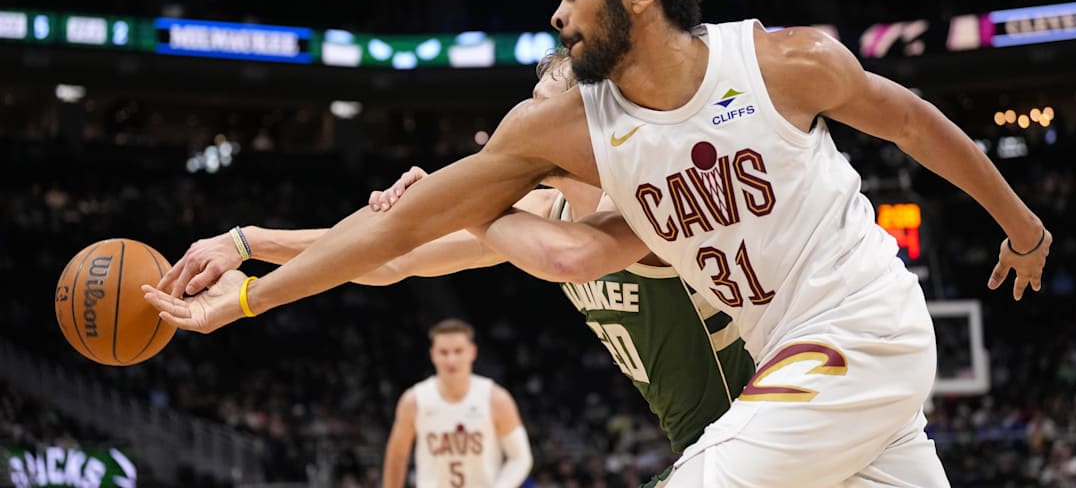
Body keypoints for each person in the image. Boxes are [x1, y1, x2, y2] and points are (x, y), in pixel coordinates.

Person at [144, 0, 1051, 486]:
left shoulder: (783, 60)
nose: (555, 10)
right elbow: (396, 245)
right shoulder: (569, 152)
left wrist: (1021, 226)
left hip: (855, 329)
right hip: (795, 377)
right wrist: (250, 271)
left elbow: (913, 121)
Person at [152, 50, 756, 486]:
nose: (520, 125)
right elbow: (396, 257)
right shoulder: (548, 205)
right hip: (705, 445)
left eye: (541, 109)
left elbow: (566, 257)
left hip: (758, 432)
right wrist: (249, 243)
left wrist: (454, 205)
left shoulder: (645, 198)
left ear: (588, 120)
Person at [382, 318, 532, 488]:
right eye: (444, 352)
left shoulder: (496, 399)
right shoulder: (413, 401)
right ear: (433, 354)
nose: (451, 360)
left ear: (472, 352)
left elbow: (521, 457)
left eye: (458, 351)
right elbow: (397, 455)